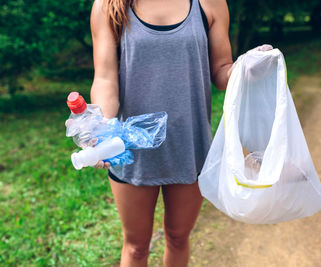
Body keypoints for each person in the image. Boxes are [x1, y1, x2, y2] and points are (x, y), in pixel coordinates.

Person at [89, 0, 270, 265]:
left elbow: (221, 71)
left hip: (190, 146)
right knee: (136, 246)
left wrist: (245, 69)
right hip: (132, 151)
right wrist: (104, 127)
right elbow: (105, 78)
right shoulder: (108, 5)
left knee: (177, 237)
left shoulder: (210, 3)